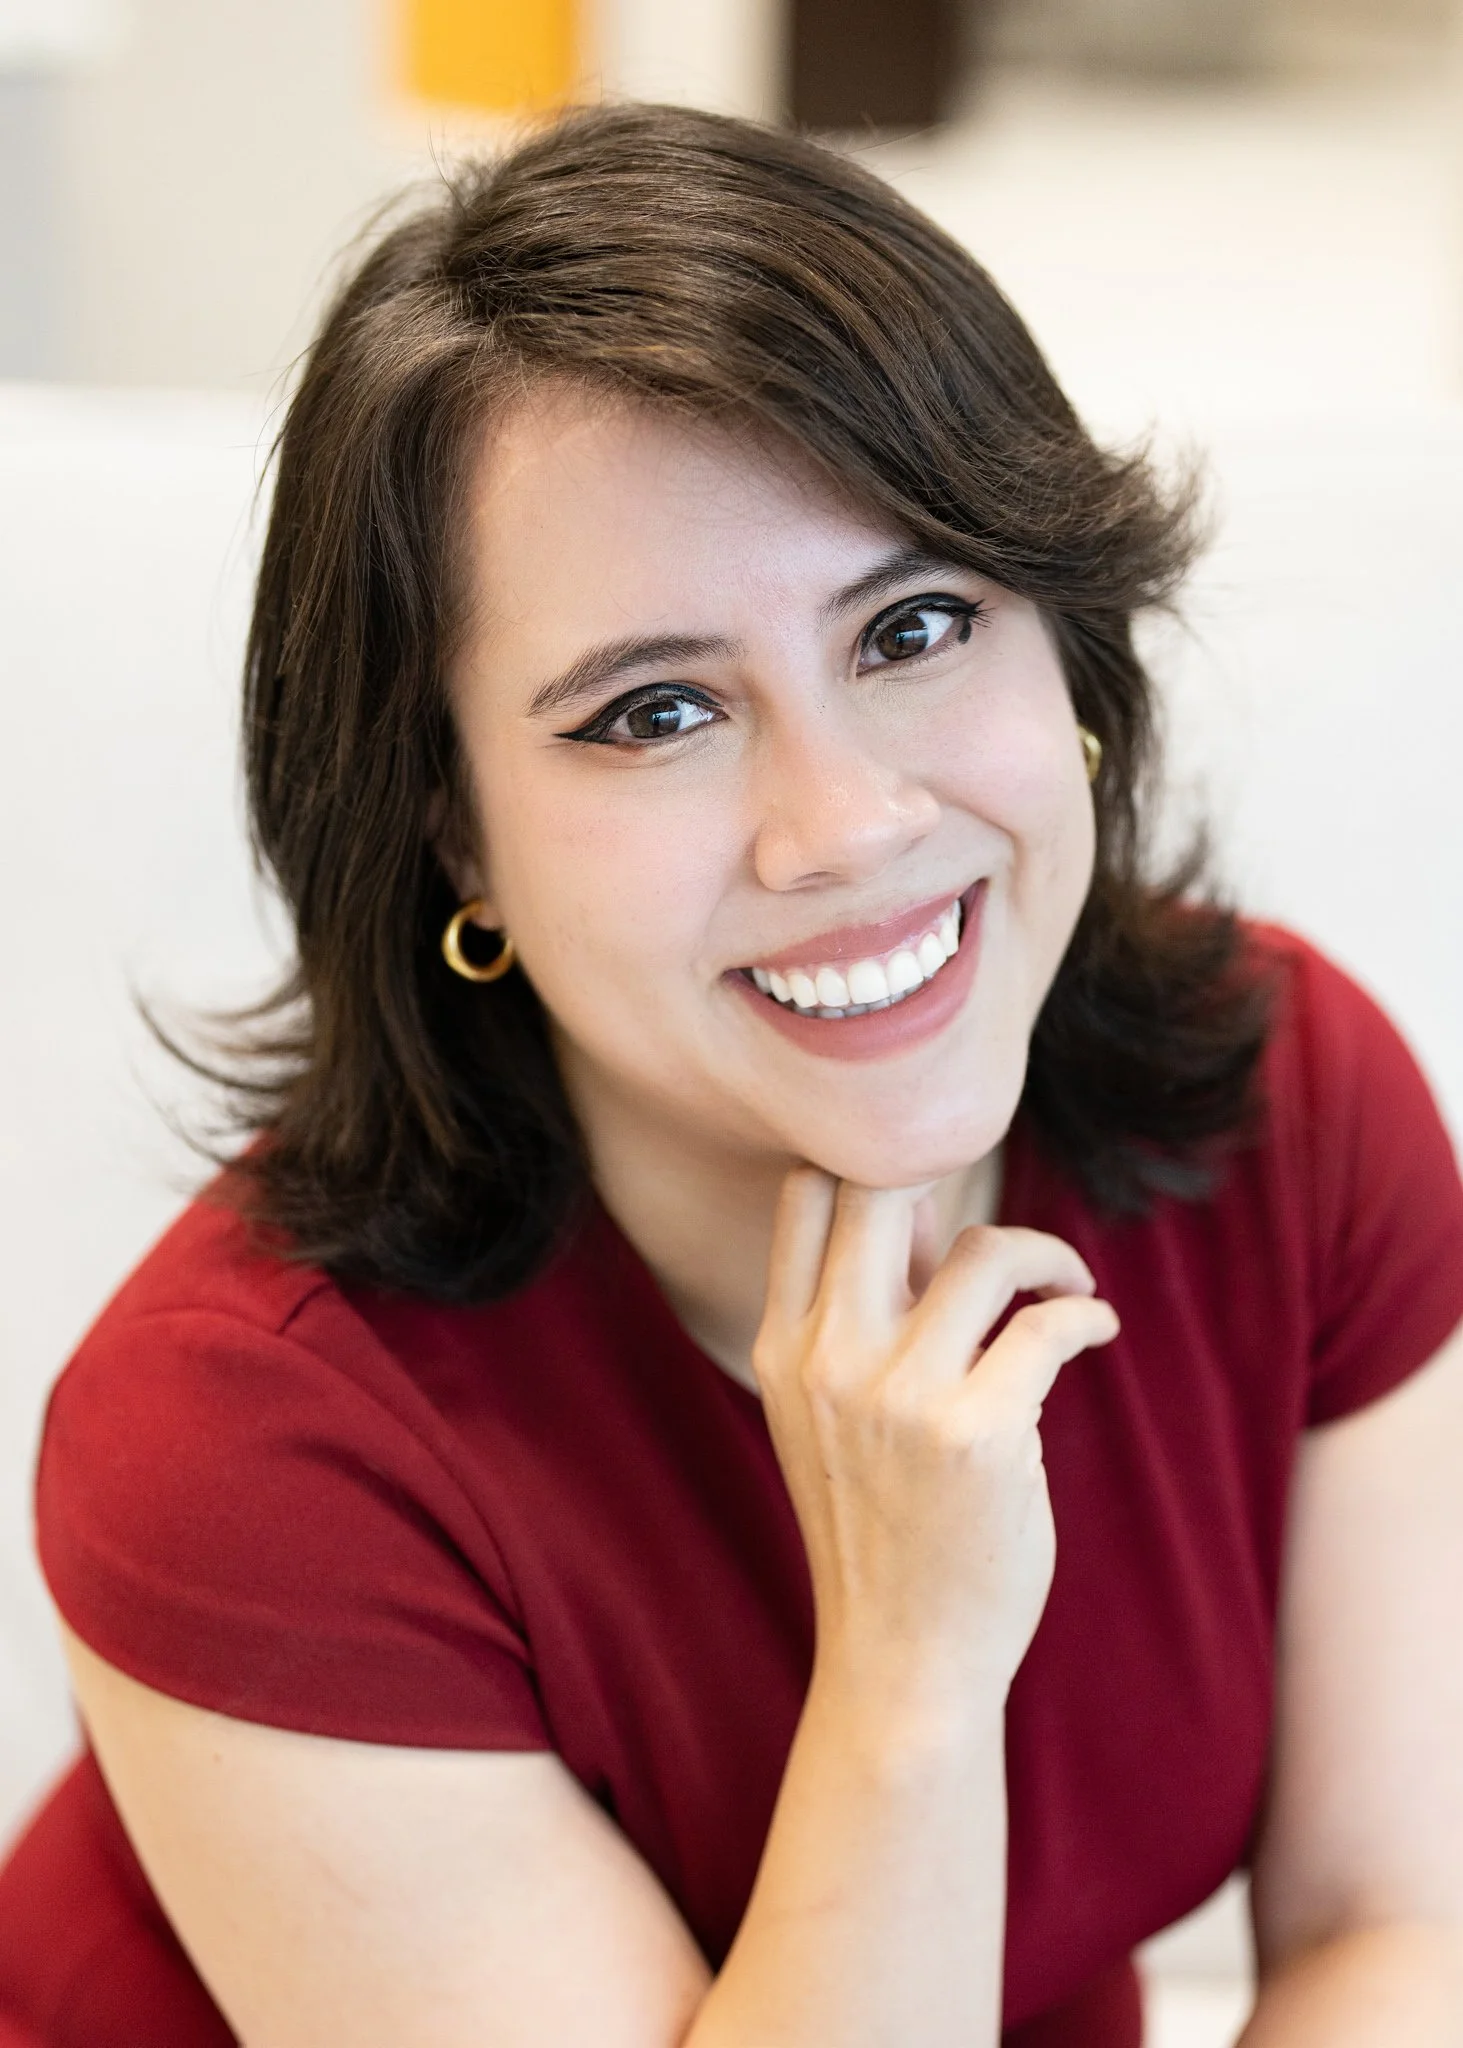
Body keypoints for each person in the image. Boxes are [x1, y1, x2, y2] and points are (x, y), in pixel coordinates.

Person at [1, 100, 1460, 2048]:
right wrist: (911, 1671)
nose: (842, 824)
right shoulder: (242, 1437)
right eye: (655, 710)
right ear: (454, 833)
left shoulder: (1285, 1105)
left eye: (915, 623)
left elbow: (1393, 1923)